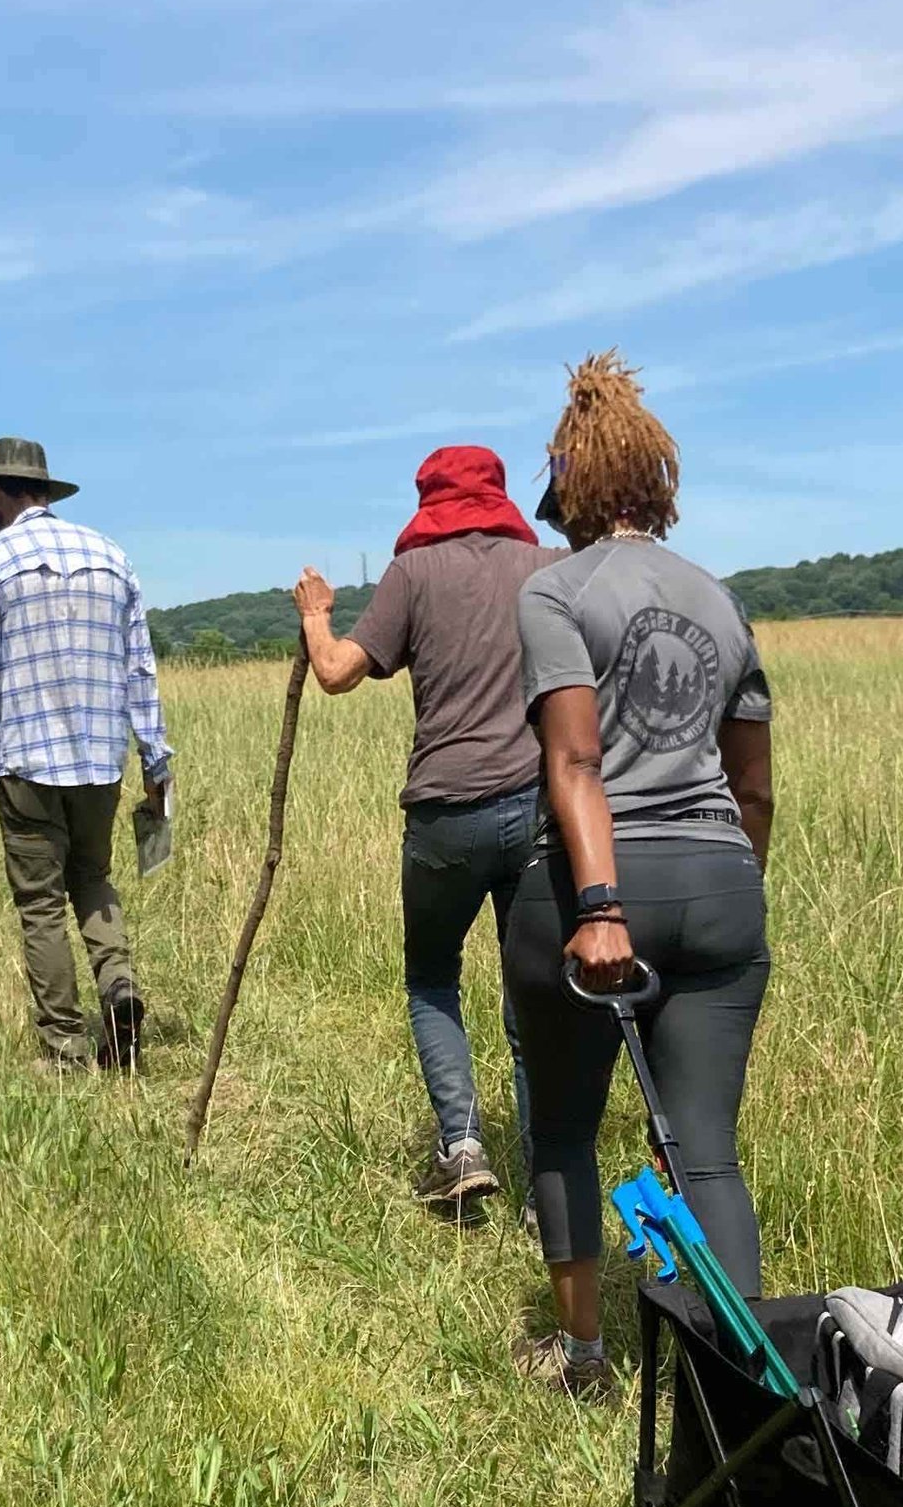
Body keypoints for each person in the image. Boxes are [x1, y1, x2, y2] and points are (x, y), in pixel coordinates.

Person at [503, 353, 774, 1400]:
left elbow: (571, 760)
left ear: (569, 494)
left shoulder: (556, 593)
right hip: (718, 879)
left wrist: (604, 904)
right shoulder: (720, 600)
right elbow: (752, 787)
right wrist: (727, 894)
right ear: (654, 485)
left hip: (587, 893)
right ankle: (738, 1394)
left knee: (567, 1124)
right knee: (706, 1149)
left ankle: (581, 1358)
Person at [293, 445, 552, 1211]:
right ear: (500, 494)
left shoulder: (412, 573)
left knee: (433, 978)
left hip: (444, 814)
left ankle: (463, 1144)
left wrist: (315, 615)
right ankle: (548, 1179)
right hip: (536, 807)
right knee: (530, 995)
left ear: (428, 498)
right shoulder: (542, 568)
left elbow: (337, 671)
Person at [0, 435, 170, 1072]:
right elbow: (139, 670)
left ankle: (65, 1045)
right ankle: (118, 986)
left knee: (40, 902)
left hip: (28, 760)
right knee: (93, 878)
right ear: (44, 490)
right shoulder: (111, 555)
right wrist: (155, 760)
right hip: (101, 760)